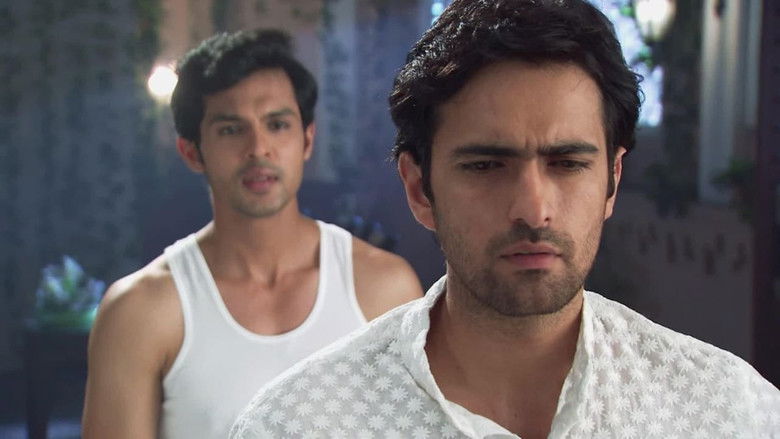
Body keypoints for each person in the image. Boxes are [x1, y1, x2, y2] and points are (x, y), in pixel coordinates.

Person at [230, 1, 780, 438]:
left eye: (567, 164)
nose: (533, 210)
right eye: (487, 166)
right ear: (419, 188)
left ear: (612, 179)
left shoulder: (727, 412)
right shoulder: (300, 425)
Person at [81, 29, 423, 439]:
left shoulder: (383, 289)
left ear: (307, 140)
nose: (259, 148)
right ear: (192, 152)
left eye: (277, 125)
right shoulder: (140, 311)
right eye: (231, 129)